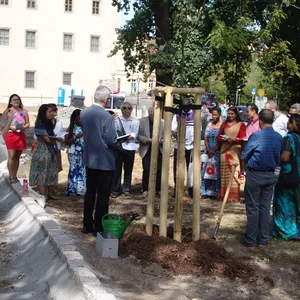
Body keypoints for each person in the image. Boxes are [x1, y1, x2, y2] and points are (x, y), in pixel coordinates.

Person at [241, 109, 282, 247]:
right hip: (271, 175)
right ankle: (263, 239)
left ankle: (251, 240)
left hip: (256, 174)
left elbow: (245, 155)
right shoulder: (279, 137)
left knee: (253, 208)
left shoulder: (256, 136)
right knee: (265, 208)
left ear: (260, 121)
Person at [80, 85, 117, 234]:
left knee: (90, 193)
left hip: (90, 158)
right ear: (106, 100)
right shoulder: (106, 116)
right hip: (104, 160)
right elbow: (111, 139)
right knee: (102, 195)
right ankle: (98, 227)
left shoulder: (84, 113)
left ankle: (87, 224)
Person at [272, 114, 300, 240]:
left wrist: (274, 159)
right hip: (298, 173)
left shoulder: (289, 138)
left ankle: (286, 230)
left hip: (288, 175)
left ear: (291, 124)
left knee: (284, 202)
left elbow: (284, 158)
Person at [29, 104, 59, 199]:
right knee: (42, 173)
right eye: (50, 112)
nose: (52, 114)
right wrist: (56, 138)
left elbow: (52, 136)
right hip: (43, 151)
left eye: (53, 112)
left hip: (50, 150)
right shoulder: (40, 124)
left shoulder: (49, 123)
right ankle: (42, 195)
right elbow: (48, 139)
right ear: (44, 112)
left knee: (50, 172)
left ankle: (49, 194)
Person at [217, 106, 246, 202]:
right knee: (224, 172)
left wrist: (233, 139)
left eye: (232, 114)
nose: (230, 115)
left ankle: (233, 196)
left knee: (234, 171)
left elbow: (243, 138)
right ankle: (224, 194)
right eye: (228, 113)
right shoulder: (224, 125)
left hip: (235, 150)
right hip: (224, 149)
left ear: (236, 114)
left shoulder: (241, 125)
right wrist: (225, 139)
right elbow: (218, 137)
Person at [111, 101, 139, 197]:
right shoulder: (116, 120)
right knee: (117, 170)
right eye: (125, 108)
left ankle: (126, 189)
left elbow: (135, 133)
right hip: (118, 147)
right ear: (121, 109)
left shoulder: (135, 121)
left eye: (129, 108)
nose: (127, 110)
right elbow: (114, 132)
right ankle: (115, 190)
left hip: (130, 147)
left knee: (128, 170)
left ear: (132, 110)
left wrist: (126, 137)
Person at [0, 94, 30, 183]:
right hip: (10, 135)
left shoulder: (24, 111)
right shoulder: (8, 111)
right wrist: (10, 127)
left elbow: (28, 123)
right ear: (10, 102)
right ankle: (11, 176)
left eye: (18, 99)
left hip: (20, 134)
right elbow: (2, 125)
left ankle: (15, 175)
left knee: (17, 156)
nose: (16, 101)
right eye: (14, 100)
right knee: (12, 156)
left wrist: (23, 126)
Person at [137, 106, 164, 198]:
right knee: (147, 169)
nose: (155, 118)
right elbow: (138, 135)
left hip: (159, 149)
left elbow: (166, 136)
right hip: (147, 148)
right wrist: (147, 140)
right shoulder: (141, 121)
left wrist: (161, 141)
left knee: (159, 169)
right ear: (150, 114)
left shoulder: (163, 122)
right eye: (153, 116)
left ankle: (158, 189)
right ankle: (145, 189)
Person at [172, 107, 195, 198]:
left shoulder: (195, 114)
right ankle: (177, 189)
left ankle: (191, 189)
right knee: (177, 169)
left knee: (191, 169)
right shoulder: (177, 115)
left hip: (191, 146)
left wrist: (194, 141)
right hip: (179, 146)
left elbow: (198, 130)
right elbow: (173, 130)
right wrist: (178, 137)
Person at [65, 109, 86, 201]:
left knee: (82, 171)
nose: (81, 120)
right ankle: (72, 190)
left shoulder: (86, 128)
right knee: (74, 170)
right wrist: (75, 137)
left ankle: (81, 190)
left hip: (83, 151)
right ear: (74, 119)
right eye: (79, 118)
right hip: (73, 152)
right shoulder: (71, 129)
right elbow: (67, 142)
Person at [201, 106, 222, 199]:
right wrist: (208, 149)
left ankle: (214, 192)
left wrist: (214, 150)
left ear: (219, 115)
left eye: (215, 115)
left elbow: (221, 140)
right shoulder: (209, 125)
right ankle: (205, 191)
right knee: (205, 170)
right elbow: (205, 137)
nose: (214, 116)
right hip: (208, 151)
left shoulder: (222, 125)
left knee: (216, 172)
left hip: (217, 152)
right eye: (212, 115)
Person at [48, 103, 65, 172]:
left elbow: (62, 135)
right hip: (46, 149)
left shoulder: (58, 123)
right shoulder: (42, 123)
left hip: (56, 148)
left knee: (55, 169)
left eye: (54, 111)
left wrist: (60, 138)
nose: (53, 113)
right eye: (50, 111)